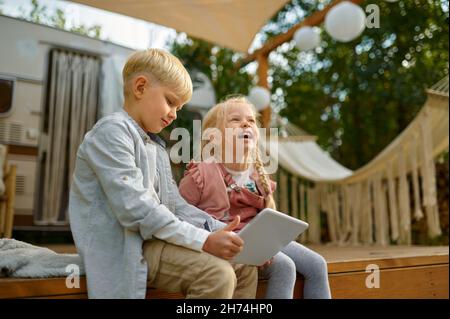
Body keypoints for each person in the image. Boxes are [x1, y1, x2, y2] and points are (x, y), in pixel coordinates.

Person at [68, 49, 257, 299]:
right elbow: (138, 211)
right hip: (128, 246)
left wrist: (219, 230)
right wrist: (204, 240)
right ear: (140, 87)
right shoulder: (111, 133)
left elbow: (175, 205)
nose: (174, 114)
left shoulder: (154, 146)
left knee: (245, 266)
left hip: (155, 240)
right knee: (217, 274)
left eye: (179, 107)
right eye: (170, 101)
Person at [179, 96, 332, 299]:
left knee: (317, 264)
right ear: (214, 137)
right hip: (225, 242)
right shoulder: (201, 173)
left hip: (259, 239)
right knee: (285, 266)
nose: (245, 123)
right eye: (235, 120)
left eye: (250, 120)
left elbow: (271, 216)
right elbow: (179, 214)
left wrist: (267, 244)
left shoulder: (258, 174)